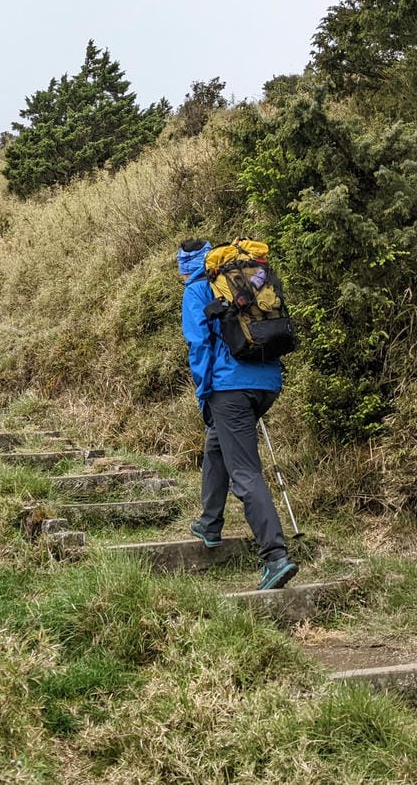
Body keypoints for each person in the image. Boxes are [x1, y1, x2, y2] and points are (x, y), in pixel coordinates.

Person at [177, 237, 298, 591]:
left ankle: (275, 556)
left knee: (244, 471)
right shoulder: (247, 277)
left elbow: (198, 346)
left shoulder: (198, 290)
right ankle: (210, 523)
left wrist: (204, 395)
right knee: (218, 441)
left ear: (185, 267)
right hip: (267, 382)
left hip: (230, 387)